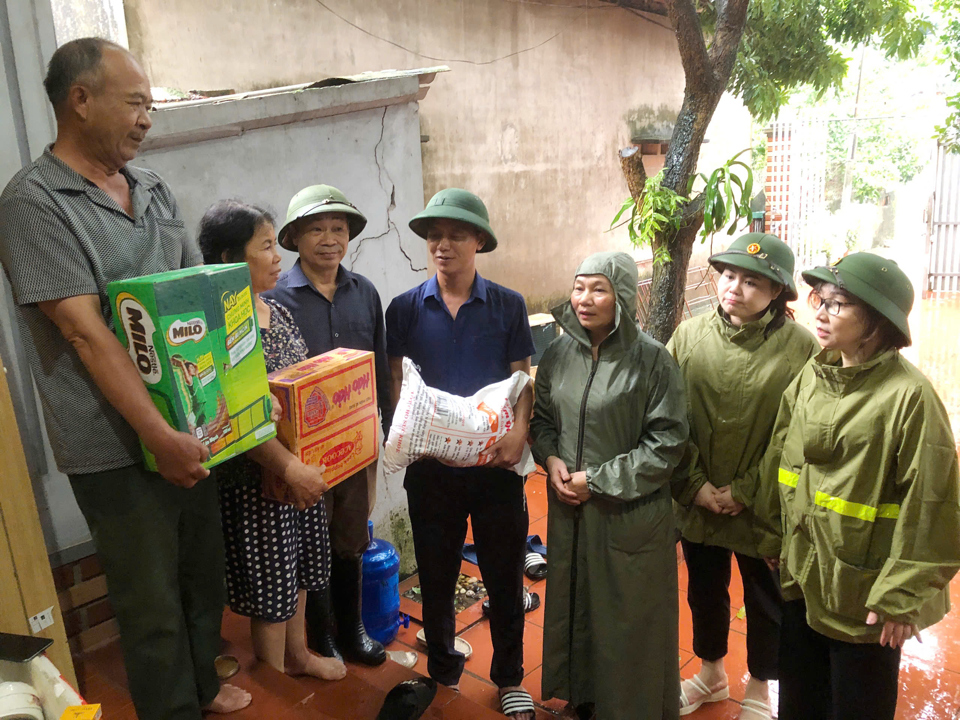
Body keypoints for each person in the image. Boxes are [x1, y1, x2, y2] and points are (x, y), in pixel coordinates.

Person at [0, 38, 249, 718]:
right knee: (151, 605)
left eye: (150, 106)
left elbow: (199, 296)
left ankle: (201, 687)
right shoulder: (33, 203)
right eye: (135, 103)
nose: (147, 119)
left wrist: (230, 407)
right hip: (114, 444)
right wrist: (158, 435)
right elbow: (84, 331)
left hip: (193, 427)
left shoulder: (154, 187)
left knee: (202, 578)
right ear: (80, 100)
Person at [754, 252, 960, 720]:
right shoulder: (815, 372)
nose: (820, 314)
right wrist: (772, 533)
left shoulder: (910, 398)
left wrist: (900, 598)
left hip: (867, 594)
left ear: (877, 321)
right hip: (804, 573)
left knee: (856, 704)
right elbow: (782, 458)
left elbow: (933, 505)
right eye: (820, 300)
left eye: (839, 304)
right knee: (802, 700)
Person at [385, 188, 536, 720]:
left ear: (479, 241)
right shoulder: (403, 308)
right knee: (437, 569)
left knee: (502, 570)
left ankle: (510, 676)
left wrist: (519, 433)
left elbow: (524, 378)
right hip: (432, 474)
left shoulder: (508, 305)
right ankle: (443, 664)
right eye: (433, 235)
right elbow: (395, 387)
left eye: (455, 234)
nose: (442, 244)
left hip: (496, 469)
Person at [529, 251, 689, 720]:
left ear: (620, 295)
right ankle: (585, 696)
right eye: (578, 287)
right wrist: (551, 458)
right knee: (578, 608)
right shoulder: (559, 354)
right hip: (571, 512)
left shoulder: (651, 361)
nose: (584, 299)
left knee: (627, 622)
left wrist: (597, 481)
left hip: (628, 518)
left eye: (598, 288)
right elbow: (542, 422)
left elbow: (667, 444)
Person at [668, 233, 818, 719]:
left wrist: (749, 491)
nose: (734, 288)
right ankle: (711, 674)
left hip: (763, 505)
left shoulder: (802, 348)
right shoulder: (689, 335)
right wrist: (693, 485)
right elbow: (666, 416)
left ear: (777, 293)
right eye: (730, 275)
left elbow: (799, 433)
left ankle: (760, 685)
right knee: (704, 590)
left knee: (765, 596)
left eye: (752, 281)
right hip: (700, 497)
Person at [197, 200, 347, 683]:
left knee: (300, 566)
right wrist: (288, 466)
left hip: (298, 469)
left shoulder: (276, 310)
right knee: (271, 579)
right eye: (265, 245)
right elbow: (237, 421)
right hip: (258, 478)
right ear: (229, 259)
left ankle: (298, 655)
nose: (277, 254)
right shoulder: (220, 328)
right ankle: (275, 675)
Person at [263, 184, 390, 666]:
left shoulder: (365, 293)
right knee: (307, 543)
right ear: (294, 237)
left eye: (339, 229)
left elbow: (378, 367)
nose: (329, 239)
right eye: (317, 228)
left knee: (351, 536)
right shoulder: (275, 300)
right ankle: (320, 637)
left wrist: (384, 430)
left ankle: (351, 629)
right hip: (300, 451)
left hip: (354, 444)